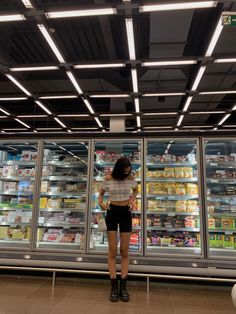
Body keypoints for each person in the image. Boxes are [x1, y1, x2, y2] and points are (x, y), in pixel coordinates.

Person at [98, 157, 138, 302]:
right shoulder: (108, 178)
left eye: (129, 171)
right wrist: (101, 204)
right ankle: (114, 286)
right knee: (113, 250)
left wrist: (132, 200)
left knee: (125, 250)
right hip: (112, 212)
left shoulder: (131, 178)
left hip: (126, 213)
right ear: (119, 169)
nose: (127, 173)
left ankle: (123, 286)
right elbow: (101, 194)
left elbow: (136, 190)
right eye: (125, 171)